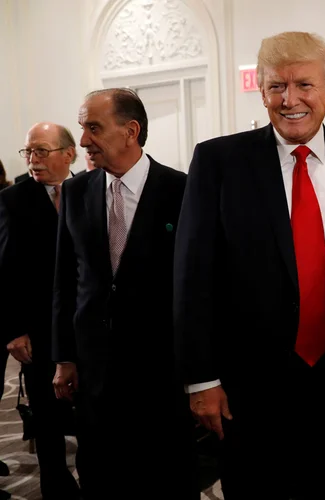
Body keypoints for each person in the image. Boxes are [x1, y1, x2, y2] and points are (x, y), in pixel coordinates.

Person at [173, 31, 325, 499]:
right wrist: (202, 379)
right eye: (276, 86)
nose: (289, 100)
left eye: (304, 85)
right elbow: (192, 277)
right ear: (262, 90)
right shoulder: (218, 162)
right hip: (247, 391)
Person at [51, 88, 196, 499]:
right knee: (100, 474)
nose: (82, 141)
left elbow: (199, 286)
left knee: (164, 476)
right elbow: (65, 279)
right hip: (95, 371)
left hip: (161, 372)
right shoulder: (76, 192)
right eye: (82, 128)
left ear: (131, 131)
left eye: (93, 128)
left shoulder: (182, 191)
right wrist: (64, 356)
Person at [0, 123, 80, 500]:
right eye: (29, 152)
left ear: (69, 154)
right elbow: (5, 269)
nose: (33, 159)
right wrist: (14, 330)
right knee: (47, 417)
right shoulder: (14, 200)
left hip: (86, 326)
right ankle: (55, 488)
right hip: (39, 328)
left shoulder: (90, 189)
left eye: (42, 151)